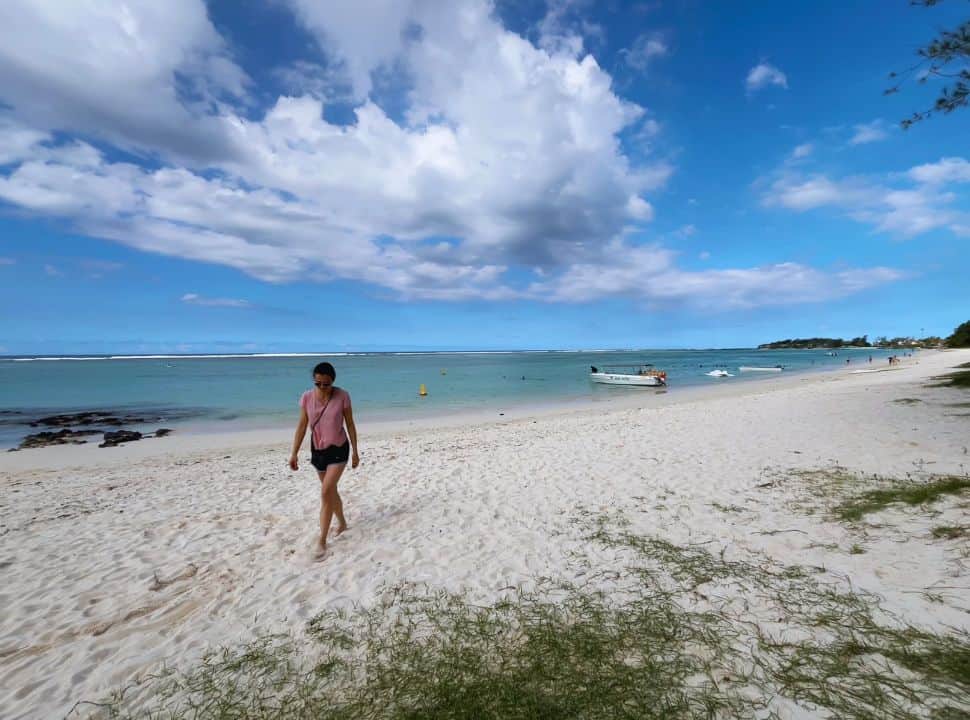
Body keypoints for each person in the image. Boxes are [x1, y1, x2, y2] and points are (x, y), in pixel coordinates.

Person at [289, 361, 359, 556]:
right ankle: (342, 523)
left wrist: (355, 451)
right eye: (318, 383)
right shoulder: (306, 398)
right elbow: (302, 426)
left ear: (333, 381)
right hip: (318, 451)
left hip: (339, 449)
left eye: (326, 384)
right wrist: (294, 452)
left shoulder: (342, 396)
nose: (322, 387)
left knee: (325, 491)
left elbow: (350, 424)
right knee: (331, 492)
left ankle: (322, 541)